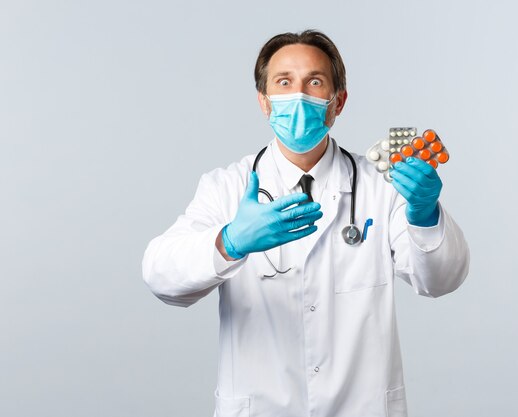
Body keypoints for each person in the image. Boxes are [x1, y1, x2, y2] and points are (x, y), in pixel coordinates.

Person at [142, 29, 470, 417]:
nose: (298, 96)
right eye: (284, 82)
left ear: (338, 102)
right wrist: (230, 241)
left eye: (314, 82)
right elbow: (160, 277)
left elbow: (440, 281)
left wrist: (424, 214)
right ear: (264, 101)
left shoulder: (383, 186)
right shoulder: (227, 187)